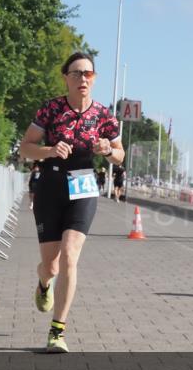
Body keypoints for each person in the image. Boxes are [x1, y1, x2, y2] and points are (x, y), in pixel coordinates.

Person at [18, 52, 124, 352]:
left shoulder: (103, 115)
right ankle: (44, 283)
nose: (83, 79)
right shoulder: (51, 109)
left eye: (88, 73)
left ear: (94, 79)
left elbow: (120, 155)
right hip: (51, 185)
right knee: (51, 266)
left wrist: (107, 150)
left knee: (69, 256)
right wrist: (50, 150)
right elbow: (26, 147)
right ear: (66, 78)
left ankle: (57, 331)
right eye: (76, 73)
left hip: (83, 184)